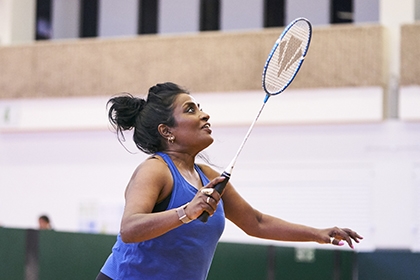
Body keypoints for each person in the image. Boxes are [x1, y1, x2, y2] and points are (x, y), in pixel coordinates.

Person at [96, 82, 363, 280]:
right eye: (191, 110)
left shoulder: (208, 177)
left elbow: (256, 222)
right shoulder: (155, 170)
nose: (204, 114)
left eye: (200, 107)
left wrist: (319, 234)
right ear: (167, 132)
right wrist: (186, 212)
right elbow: (129, 229)